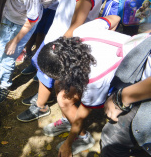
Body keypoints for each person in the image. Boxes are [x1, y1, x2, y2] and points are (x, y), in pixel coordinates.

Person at [17, 0, 103, 122]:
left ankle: (40, 106)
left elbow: (76, 26)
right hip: (58, 35)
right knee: (44, 71)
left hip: (63, 42)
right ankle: (42, 96)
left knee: (47, 70)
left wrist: (56, 47)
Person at [35, 15, 138, 156]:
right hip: (122, 59)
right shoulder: (82, 31)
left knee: (63, 99)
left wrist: (67, 144)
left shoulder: (94, 79)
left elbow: (82, 115)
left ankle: (84, 139)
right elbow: (115, 18)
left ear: (69, 71)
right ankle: (67, 120)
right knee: (61, 90)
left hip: (134, 78)